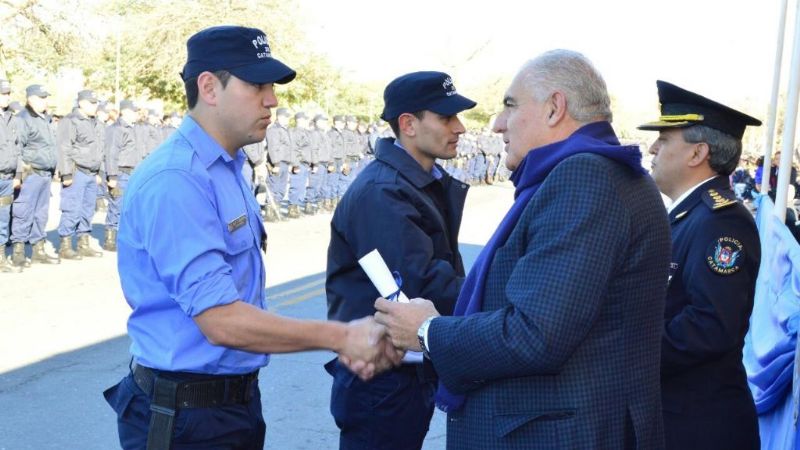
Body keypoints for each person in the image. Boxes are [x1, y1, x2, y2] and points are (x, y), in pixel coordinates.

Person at [102, 25, 401, 450]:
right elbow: (221, 320)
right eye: (257, 86)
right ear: (209, 87)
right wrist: (342, 336)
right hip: (186, 417)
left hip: (228, 406)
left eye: (272, 87)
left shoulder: (228, 167)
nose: (272, 100)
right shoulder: (178, 179)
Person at [374, 49, 672, 449]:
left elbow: (535, 334)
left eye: (510, 106)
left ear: (554, 108)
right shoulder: (595, 172)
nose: (497, 124)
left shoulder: (584, 177)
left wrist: (427, 331)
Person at [326, 71, 475, 450]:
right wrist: (500, 296)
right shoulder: (384, 192)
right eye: (446, 118)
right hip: (382, 377)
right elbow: (421, 285)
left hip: (405, 368)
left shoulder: (415, 182)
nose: (459, 127)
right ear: (408, 124)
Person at [639, 80, 762, 450]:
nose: (652, 148)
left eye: (664, 139)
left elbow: (709, 325)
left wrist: (629, 351)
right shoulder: (689, 216)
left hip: (698, 427)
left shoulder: (721, 221)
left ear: (697, 153)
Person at [10, 84, 61, 266]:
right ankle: (18, 251)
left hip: (45, 174)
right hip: (31, 173)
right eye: (41, 97)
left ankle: (38, 249)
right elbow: (18, 148)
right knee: (23, 212)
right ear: (30, 99)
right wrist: (19, 174)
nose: (45, 101)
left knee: (41, 214)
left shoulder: (46, 119)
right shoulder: (23, 119)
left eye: (46, 97)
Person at [55, 89, 105, 260]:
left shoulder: (96, 122)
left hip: (91, 173)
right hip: (77, 171)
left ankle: (83, 244)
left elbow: (100, 149)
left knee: (87, 209)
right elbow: (64, 148)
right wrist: (66, 173)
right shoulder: (70, 121)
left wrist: (99, 172)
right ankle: (65, 245)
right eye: (92, 103)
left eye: (96, 103)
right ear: (81, 103)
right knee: (72, 209)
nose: (95, 106)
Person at [103, 99, 139, 251]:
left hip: (132, 173)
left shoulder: (132, 128)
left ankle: (124, 238)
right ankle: (110, 240)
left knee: (129, 207)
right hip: (120, 173)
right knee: (117, 205)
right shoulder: (116, 129)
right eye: (133, 111)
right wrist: (112, 176)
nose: (136, 114)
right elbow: (111, 153)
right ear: (124, 111)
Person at [0, 78, 21, 273]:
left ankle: (1, 259)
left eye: (7, 93)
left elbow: (18, 148)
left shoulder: (12, 119)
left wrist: (18, 174)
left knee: (3, 218)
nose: (6, 97)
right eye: (3, 93)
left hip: (6, 178)